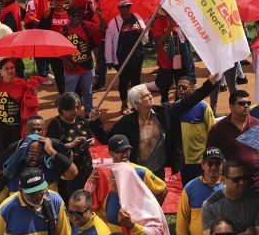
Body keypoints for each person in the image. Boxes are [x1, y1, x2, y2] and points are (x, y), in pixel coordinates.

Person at [90, 75, 218, 180]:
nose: (151, 96)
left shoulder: (165, 112)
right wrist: (95, 122)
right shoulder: (127, 123)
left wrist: (210, 83)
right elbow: (106, 138)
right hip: (137, 173)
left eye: (149, 93)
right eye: (146, 95)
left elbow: (190, 101)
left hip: (158, 173)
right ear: (137, 104)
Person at [201, 160, 259, 235]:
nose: (242, 182)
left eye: (244, 177)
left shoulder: (257, 201)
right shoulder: (210, 205)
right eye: (236, 179)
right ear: (224, 179)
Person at [177, 147, 225, 235]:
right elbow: (182, 217)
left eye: (217, 163)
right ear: (202, 165)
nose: (214, 167)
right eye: (210, 163)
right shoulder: (191, 187)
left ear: (222, 165)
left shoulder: (228, 187)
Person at [206, 90, 259, 182]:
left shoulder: (257, 124)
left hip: (254, 182)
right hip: (230, 183)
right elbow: (210, 156)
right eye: (241, 103)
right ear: (231, 107)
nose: (246, 106)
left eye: (248, 103)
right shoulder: (218, 128)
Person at [46, 92, 94, 202]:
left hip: (86, 167)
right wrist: (71, 144)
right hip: (68, 173)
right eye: (71, 108)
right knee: (71, 200)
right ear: (62, 109)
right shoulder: (55, 124)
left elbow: (91, 139)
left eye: (78, 107)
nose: (75, 111)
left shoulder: (81, 120)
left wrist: (87, 143)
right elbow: (50, 147)